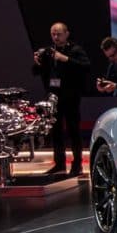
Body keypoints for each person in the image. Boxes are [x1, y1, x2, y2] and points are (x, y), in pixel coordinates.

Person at [32, 22, 90, 176]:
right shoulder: (48, 52)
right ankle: (59, 164)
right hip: (53, 96)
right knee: (55, 131)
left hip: (71, 96)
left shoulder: (75, 50)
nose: (56, 37)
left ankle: (77, 165)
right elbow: (36, 72)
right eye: (53, 34)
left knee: (73, 131)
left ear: (66, 34)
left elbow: (86, 66)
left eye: (58, 34)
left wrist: (65, 58)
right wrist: (37, 62)